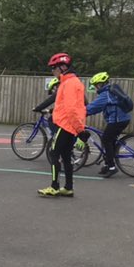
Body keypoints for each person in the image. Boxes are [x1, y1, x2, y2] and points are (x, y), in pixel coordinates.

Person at [38, 53, 86, 198]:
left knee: (54, 153)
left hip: (65, 125)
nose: (52, 71)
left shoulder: (70, 83)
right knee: (65, 156)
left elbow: (71, 109)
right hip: (69, 125)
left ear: (63, 67)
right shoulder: (71, 82)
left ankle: (54, 186)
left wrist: (79, 130)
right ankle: (68, 187)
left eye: (54, 68)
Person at [85, 72, 131, 177]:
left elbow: (93, 107)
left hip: (117, 120)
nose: (95, 87)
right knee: (111, 141)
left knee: (106, 139)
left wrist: (81, 113)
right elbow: (97, 108)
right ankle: (107, 164)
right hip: (122, 119)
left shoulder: (106, 94)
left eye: (96, 84)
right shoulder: (110, 91)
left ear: (101, 84)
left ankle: (111, 167)